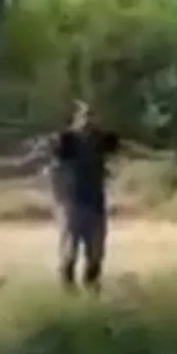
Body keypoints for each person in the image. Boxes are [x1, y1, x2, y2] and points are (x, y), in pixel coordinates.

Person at [48, 101, 120, 290]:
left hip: (95, 202)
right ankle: (68, 288)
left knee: (96, 252)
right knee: (70, 250)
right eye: (84, 116)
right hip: (73, 202)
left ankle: (92, 287)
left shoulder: (102, 141)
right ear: (76, 120)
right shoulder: (66, 141)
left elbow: (116, 148)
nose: (88, 121)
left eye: (91, 116)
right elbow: (55, 165)